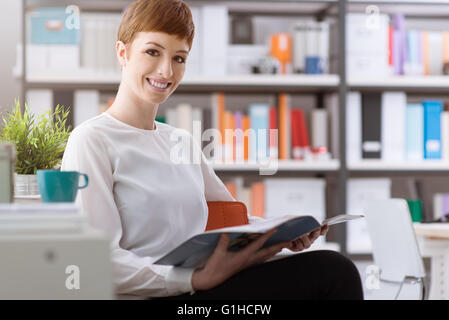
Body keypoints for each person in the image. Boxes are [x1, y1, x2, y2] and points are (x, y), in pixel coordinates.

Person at [61, 0, 363, 300]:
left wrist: (283, 232)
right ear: (122, 53)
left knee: (333, 269)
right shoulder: (91, 140)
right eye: (152, 52)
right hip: (159, 293)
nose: (166, 70)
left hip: (201, 286)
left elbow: (231, 222)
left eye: (179, 58)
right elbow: (96, 259)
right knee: (332, 273)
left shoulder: (181, 141)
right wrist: (191, 278)